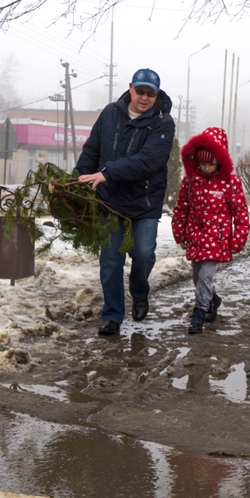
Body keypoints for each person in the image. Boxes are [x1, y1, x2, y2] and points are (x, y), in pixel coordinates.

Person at [76, 68, 176, 336]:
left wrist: (107, 173)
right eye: (140, 91)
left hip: (144, 201)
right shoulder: (110, 113)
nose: (144, 98)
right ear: (130, 88)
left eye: (150, 94)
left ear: (157, 94)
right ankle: (112, 315)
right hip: (110, 201)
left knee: (143, 254)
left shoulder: (164, 122)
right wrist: (79, 180)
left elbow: (148, 161)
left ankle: (140, 291)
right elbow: (92, 149)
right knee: (110, 260)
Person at [172, 127, 250, 334]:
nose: (206, 168)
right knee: (197, 278)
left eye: (211, 163)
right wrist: (179, 232)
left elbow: (241, 213)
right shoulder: (190, 183)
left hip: (217, 239)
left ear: (220, 161)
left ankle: (199, 312)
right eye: (202, 163)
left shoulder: (230, 183)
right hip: (195, 238)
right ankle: (213, 299)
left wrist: (237, 240)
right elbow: (181, 208)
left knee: (205, 277)